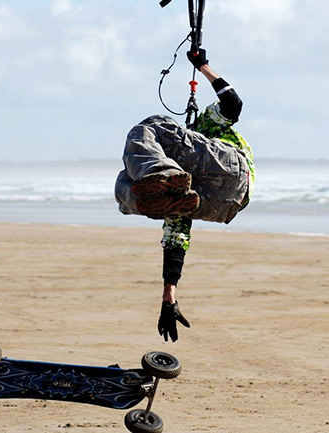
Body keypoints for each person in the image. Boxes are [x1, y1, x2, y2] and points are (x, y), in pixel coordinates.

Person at [115, 49, 255, 342]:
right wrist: (169, 300)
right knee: (127, 184)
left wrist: (203, 66)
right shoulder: (177, 191)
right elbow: (176, 241)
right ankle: (150, 190)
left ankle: (153, 178)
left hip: (229, 169)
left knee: (151, 128)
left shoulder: (204, 127)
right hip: (225, 205)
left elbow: (232, 105)